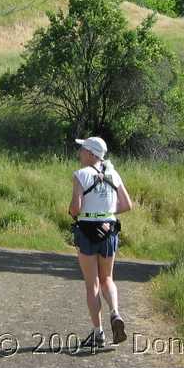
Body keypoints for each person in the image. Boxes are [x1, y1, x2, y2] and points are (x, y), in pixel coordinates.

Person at [68, 136, 134, 350]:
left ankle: (99, 334)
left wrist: (81, 211)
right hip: (109, 230)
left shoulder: (81, 175)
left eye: (82, 150)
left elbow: (75, 209)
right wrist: (105, 212)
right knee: (107, 278)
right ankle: (115, 312)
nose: (79, 153)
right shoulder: (114, 175)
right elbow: (126, 205)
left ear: (90, 153)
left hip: (87, 231)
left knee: (92, 284)